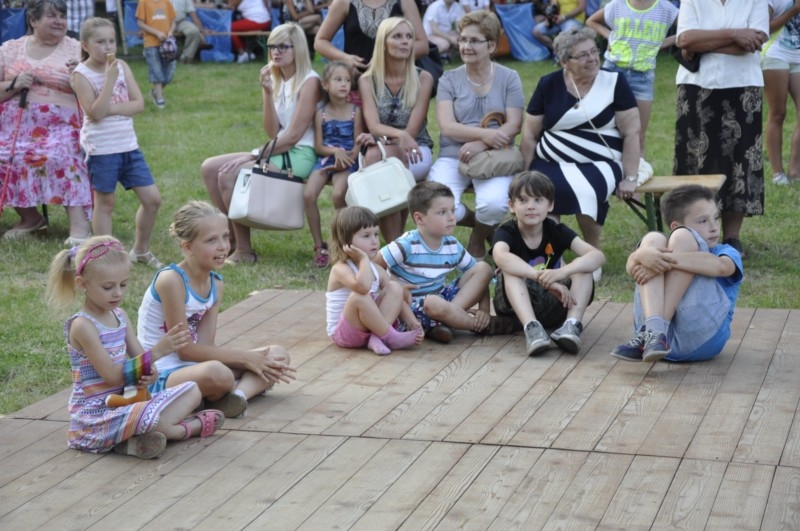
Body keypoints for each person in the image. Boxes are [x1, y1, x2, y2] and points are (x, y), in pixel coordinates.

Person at [45, 236, 225, 460]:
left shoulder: (119, 316)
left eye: (123, 284)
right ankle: (184, 430)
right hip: (96, 417)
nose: (118, 293)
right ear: (82, 284)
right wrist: (157, 352)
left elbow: (147, 366)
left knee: (192, 389)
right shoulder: (83, 326)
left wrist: (149, 375)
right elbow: (112, 377)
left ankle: (131, 441)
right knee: (149, 417)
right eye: (108, 287)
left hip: (129, 403)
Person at [137, 201, 297, 418]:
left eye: (225, 236)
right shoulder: (171, 280)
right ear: (187, 247)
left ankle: (236, 397)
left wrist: (251, 359)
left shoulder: (216, 284)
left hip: (196, 367)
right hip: (161, 374)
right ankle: (223, 392)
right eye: (211, 240)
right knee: (219, 374)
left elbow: (205, 346)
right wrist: (244, 358)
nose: (223, 246)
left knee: (276, 355)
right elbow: (185, 350)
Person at [520, 27, 640, 271]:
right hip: (550, 160)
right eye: (583, 55)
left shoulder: (614, 82)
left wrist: (630, 178)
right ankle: (552, 257)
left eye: (594, 51)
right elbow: (530, 135)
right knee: (541, 192)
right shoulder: (548, 84)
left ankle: (591, 254)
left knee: (587, 192)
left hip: (600, 161)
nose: (592, 58)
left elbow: (631, 132)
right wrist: (523, 173)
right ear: (565, 62)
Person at [201, 22, 321, 265]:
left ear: (298, 48)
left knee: (230, 175)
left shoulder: (310, 82)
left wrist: (255, 155)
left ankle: (244, 250)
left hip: (303, 153)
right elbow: (272, 131)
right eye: (272, 46)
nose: (276, 52)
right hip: (281, 147)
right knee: (210, 168)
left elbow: (294, 136)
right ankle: (231, 238)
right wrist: (266, 92)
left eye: (283, 46)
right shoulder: (278, 78)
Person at [673, 0, 769, 257]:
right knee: (696, 160)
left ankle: (732, 236)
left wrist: (702, 43)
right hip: (696, 87)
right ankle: (694, 234)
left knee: (739, 161)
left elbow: (753, 43)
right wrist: (735, 34)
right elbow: (684, 40)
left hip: (743, 87)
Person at [428, 9, 524, 259]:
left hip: (495, 156)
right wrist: (485, 135)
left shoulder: (509, 77)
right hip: (454, 154)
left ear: (491, 45)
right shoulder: (449, 79)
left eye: (473, 40)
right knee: (435, 202)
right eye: (462, 39)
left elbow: (514, 124)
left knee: (493, 204)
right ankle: (480, 226)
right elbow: (447, 126)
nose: (465, 46)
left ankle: (477, 239)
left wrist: (484, 143)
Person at [611, 184, 744, 363]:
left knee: (682, 238)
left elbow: (721, 267)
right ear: (675, 225)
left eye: (716, 218)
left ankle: (656, 330)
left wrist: (658, 260)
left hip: (702, 340)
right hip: (651, 345)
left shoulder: (726, 251)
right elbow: (631, 269)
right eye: (703, 221)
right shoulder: (661, 248)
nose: (714, 227)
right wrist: (639, 256)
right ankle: (655, 332)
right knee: (652, 239)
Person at [72, 17, 164, 270]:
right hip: (102, 150)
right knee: (105, 203)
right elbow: (94, 114)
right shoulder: (81, 74)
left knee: (152, 199)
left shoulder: (122, 65)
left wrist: (110, 108)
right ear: (85, 46)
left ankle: (141, 250)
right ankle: (105, 256)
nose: (108, 47)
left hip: (128, 146)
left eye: (111, 41)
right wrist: (109, 80)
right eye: (100, 42)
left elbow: (139, 104)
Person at [375, 181, 516, 344]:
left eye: (453, 210)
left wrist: (484, 309)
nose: (451, 217)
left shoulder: (451, 245)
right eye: (442, 212)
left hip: (443, 300)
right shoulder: (406, 245)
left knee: (483, 268)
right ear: (420, 218)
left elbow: (478, 275)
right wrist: (395, 286)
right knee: (433, 303)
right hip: (411, 308)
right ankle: (479, 325)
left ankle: (444, 322)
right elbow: (374, 264)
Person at [0, 0, 92, 244]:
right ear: (33, 20)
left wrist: (81, 76)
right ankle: (30, 218)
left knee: (61, 154)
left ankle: (80, 225)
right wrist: (14, 84)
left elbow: (99, 90)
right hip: (13, 128)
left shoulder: (78, 50)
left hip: (62, 126)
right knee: (4, 155)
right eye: (52, 15)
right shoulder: (9, 49)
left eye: (62, 16)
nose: (59, 21)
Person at [492, 171, 604, 356]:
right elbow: (501, 256)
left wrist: (562, 272)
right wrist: (542, 278)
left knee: (583, 267)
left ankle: (571, 325)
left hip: (553, 303)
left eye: (538, 200)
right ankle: (532, 328)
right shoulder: (506, 231)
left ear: (550, 205)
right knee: (511, 269)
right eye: (523, 200)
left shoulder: (557, 231)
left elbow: (597, 256)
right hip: (514, 308)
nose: (531, 206)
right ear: (511, 205)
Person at [359, 16, 435, 242]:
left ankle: (393, 245)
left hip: (416, 151)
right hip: (382, 150)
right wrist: (398, 135)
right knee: (383, 162)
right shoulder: (367, 80)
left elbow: (412, 131)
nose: (405, 41)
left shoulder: (424, 78)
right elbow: (373, 125)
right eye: (397, 36)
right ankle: (398, 245)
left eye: (409, 37)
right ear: (383, 42)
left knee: (383, 164)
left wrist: (396, 137)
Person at [586, 0, 678, 182]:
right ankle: (601, 178)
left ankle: (634, 182)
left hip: (642, 77)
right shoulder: (617, 5)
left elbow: (687, 28)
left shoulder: (666, 8)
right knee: (602, 129)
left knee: (637, 135)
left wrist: (661, 43)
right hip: (612, 72)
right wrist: (610, 36)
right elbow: (591, 21)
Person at [326, 206, 424, 355]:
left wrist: (413, 323)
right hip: (344, 334)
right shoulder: (340, 269)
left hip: (370, 328)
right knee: (359, 296)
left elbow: (396, 295)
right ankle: (390, 337)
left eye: (376, 234)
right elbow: (362, 287)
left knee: (395, 287)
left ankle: (377, 337)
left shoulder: (376, 269)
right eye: (366, 236)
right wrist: (363, 259)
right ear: (346, 241)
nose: (374, 241)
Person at [304, 61, 365, 269]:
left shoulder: (355, 111)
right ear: (325, 84)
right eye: (338, 80)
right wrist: (334, 153)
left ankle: (342, 245)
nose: (344, 84)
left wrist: (345, 159)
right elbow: (319, 146)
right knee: (308, 195)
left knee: (339, 195)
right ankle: (319, 245)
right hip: (327, 159)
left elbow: (357, 144)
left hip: (348, 161)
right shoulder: (320, 112)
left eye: (347, 80)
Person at [314, 0, 428, 80]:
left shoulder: (404, 2)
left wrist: (386, 59)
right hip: (355, 80)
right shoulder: (344, 2)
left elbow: (422, 44)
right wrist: (345, 58)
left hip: (393, 81)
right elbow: (320, 41)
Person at [762, 0, 800, 185]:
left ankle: (795, 171)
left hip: (797, 55)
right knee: (778, 113)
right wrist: (795, 9)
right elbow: (764, 29)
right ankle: (778, 173)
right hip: (775, 53)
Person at [136, 0, 177, 108]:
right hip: (151, 43)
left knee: (169, 72)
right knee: (156, 70)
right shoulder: (143, 2)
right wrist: (157, 33)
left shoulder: (167, 2)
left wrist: (170, 32)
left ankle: (155, 92)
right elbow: (140, 23)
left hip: (167, 43)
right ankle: (159, 98)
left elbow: (173, 21)